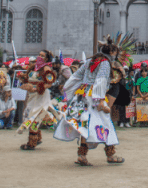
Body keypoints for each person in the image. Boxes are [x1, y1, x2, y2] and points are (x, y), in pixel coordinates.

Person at [58, 38, 127, 166]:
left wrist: (68, 88)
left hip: (82, 94)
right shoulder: (105, 63)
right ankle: (110, 154)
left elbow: (76, 76)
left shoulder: (91, 60)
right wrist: (100, 100)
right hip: (94, 96)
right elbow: (100, 80)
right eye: (115, 52)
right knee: (106, 123)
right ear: (111, 51)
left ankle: (82, 155)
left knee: (85, 124)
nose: (116, 55)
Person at [18, 50, 58, 150]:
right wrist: (24, 79)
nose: (39, 57)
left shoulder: (46, 68)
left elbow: (49, 83)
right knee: (31, 116)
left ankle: (31, 142)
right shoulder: (33, 67)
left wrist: (37, 88)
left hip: (41, 95)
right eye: (39, 55)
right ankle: (37, 137)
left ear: (47, 58)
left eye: (42, 56)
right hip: (32, 95)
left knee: (34, 117)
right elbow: (29, 78)